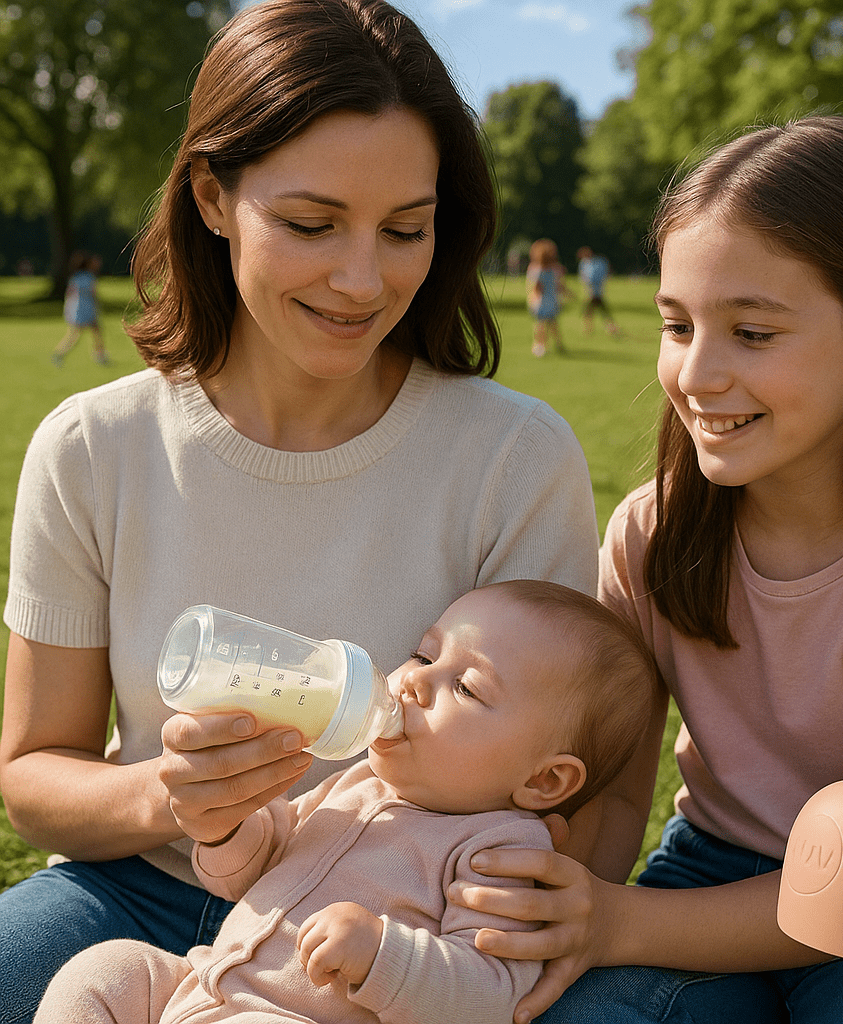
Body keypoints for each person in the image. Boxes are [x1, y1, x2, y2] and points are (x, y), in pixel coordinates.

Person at [0, 2, 599, 1022]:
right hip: (129, 892)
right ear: (213, 195)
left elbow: (564, 790)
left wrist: (414, 956)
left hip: (389, 922)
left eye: (405, 229)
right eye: (312, 225)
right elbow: (32, 769)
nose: (362, 280)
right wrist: (169, 796)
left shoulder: (513, 458)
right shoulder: (93, 446)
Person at [448, 116, 843, 1024]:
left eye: (751, 332)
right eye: (678, 324)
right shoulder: (651, 533)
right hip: (707, 873)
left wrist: (613, 924)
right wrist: (557, 933)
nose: (698, 374)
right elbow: (613, 799)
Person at [33, 581, 659, 1024]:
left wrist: (384, 955)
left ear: (544, 782)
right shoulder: (361, 782)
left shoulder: (500, 853)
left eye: (463, 687)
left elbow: (490, 996)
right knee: (109, 972)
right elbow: (255, 866)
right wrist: (226, 832)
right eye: (425, 653)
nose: (413, 679)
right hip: (202, 986)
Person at [51, 252, 109, 366]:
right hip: (87, 309)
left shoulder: (75, 277)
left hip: (77, 308)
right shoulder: (89, 277)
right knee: (81, 334)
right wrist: (97, 307)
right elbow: (93, 294)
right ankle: (60, 353)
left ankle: (99, 355)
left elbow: (69, 294)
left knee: (91, 332)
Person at [526, 238, 572, 357]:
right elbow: (560, 286)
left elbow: (536, 288)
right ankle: (556, 344)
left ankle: (540, 345)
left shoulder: (536, 269)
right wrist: (568, 294)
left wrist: (533, 299)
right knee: (551, 323)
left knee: (541, 324)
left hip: (542, 301)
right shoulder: (556, 269)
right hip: (551, 300)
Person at [575, 246, 618, 336]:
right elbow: (583, 278)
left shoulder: (597, 263)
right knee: (599, 311)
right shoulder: (585, 263)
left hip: (595, 292)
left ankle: (590, 329)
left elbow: (596, 277)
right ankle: (610, 327)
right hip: (592, 291)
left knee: (591, 311)